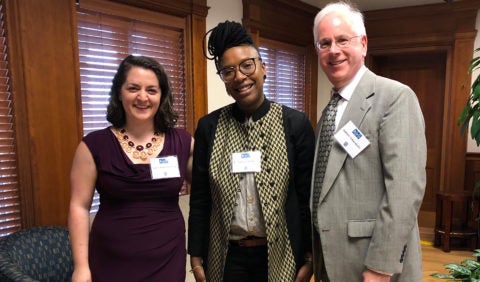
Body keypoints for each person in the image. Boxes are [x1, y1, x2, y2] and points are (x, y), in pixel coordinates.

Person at [188, 21, 315, 282]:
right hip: (226, 257)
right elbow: (201, 198)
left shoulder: (294, 123)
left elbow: (306, 197)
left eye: (247, 65)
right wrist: (196, 253)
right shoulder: (208, 127)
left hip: (281, 254)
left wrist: (310, 255)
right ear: (223, 79)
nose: (240, 77)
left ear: (263, 67)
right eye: (228, 71)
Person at [311, 2, 427, 282]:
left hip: (373, 266)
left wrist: (380, 266)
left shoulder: (395, 97)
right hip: (331, 259)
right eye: (324, 43)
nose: (333, 50)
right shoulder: (330, 110)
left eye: (342, 40)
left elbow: (404, 189)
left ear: (363, 44)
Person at [68, 55, 193, 282]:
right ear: (119, 92)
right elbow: (79, 206)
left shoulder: (183, 141)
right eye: (133, 88)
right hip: (110, 260)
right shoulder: (93, 145)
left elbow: (210, 186)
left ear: (162, 95)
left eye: (152, 90)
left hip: (167, 259)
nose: (142, 97)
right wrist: (81, 266)